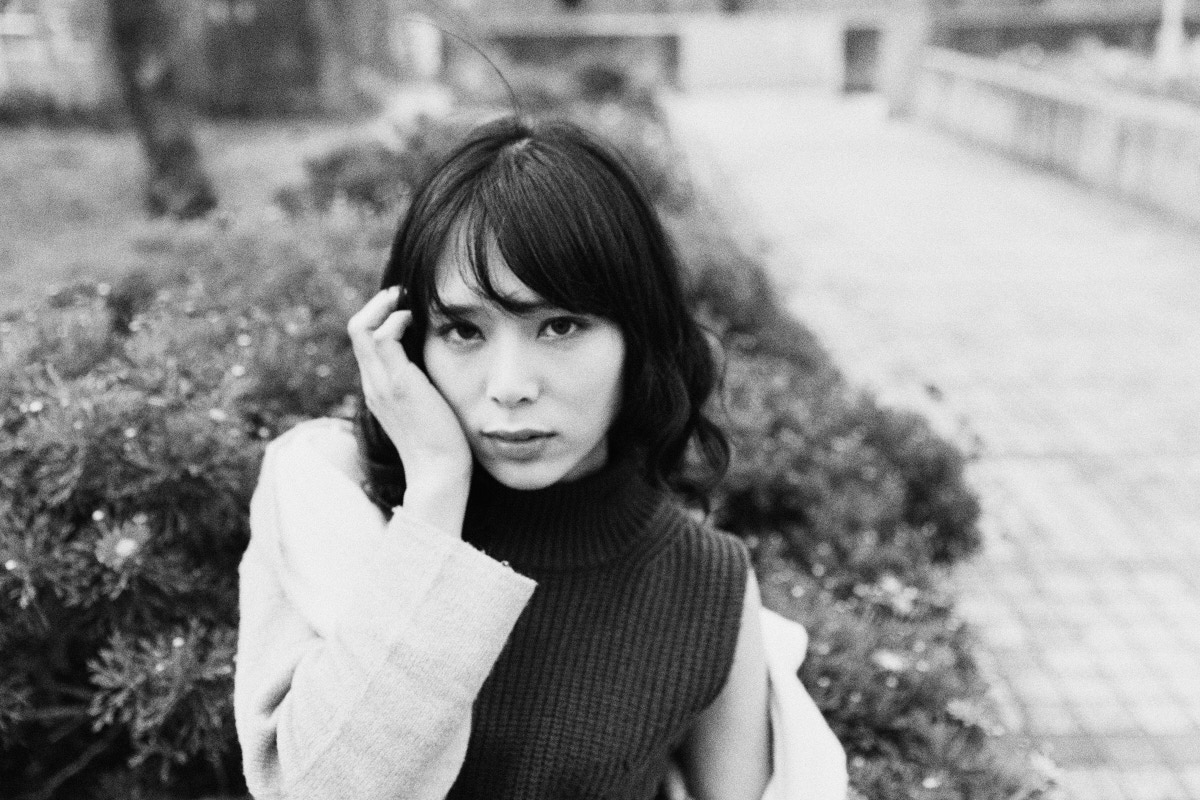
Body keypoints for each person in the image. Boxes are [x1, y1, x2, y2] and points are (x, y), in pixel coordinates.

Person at [233, 116, 845, 800]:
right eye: (463, 330)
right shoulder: (335, 499)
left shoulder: (702, 582)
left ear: (637, 336)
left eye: (559, 326)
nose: (509, 386)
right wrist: (435, 489)